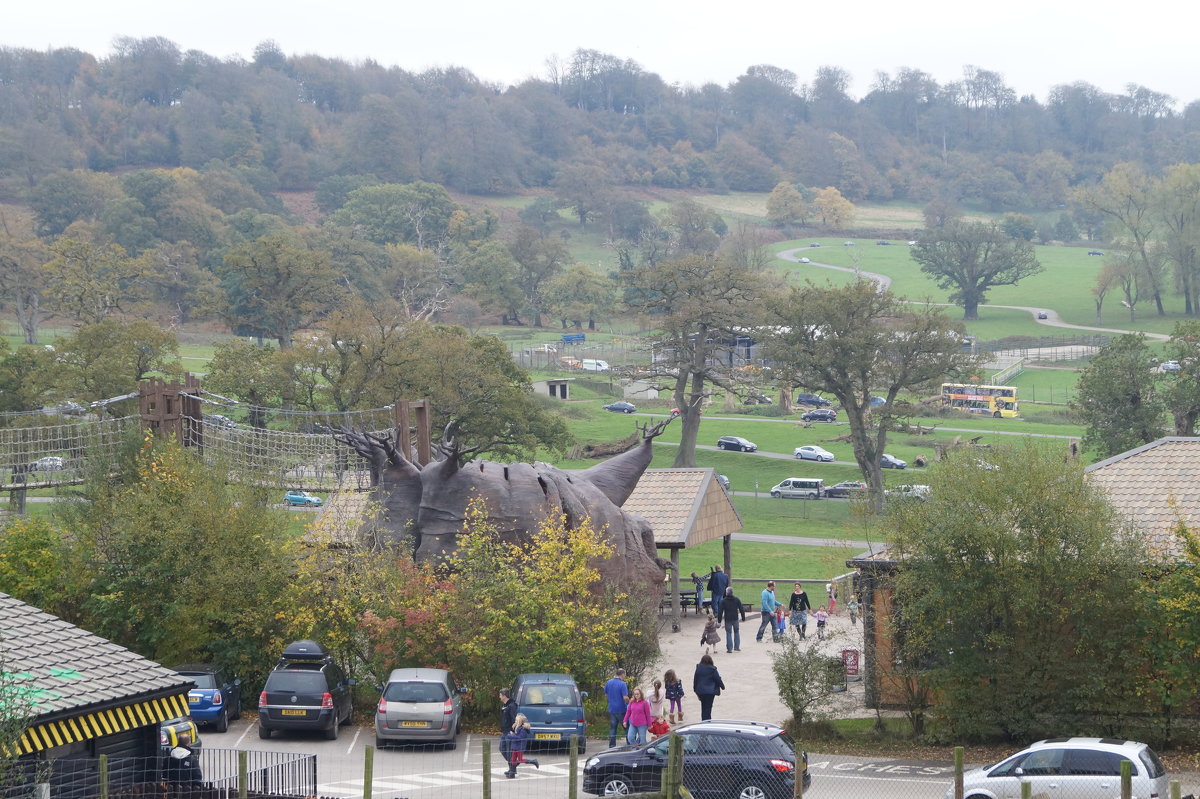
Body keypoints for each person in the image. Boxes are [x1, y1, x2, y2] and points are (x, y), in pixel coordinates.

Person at [503, 713, 539, 778]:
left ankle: (533, 761)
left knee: (520, 759)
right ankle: (512, 773)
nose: (515, 721)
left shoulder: (523, 730)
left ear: (519, 721)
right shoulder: (517, 728)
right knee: (513, 759)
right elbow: (516, 735)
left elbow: (519, 737)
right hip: (515, 746)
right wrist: (513, 734)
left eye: (516, 720)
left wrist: (511, 735)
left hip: (520, 747)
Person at [692, 654, 725, 721]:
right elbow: (718, 679)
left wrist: (695, 690)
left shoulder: (698, 668)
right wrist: (722, 686)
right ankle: (707, 721)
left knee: (703, 707)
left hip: (700, 691)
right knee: (708, 707)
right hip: (710, 692)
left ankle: (704, 720)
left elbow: (695, 680)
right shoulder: (712, 669)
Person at [604, 667, 629, 748]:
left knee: (612, 728)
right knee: (626, 727)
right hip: (621, 709)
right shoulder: (622, 684)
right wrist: (629, 702)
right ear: (622, 674)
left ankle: (612, 745)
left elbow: (606, 695)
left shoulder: (608, 682)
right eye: (624, 675)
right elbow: (625, 697)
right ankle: (630, 744)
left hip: (612, 709)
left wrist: (610, 701)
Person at [716, 585, 746, 653]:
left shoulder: (723, 601)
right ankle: (737, 647)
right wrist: (743, 618)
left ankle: (729, 649)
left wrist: (719, 621)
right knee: (736, 632)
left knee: (728, 633)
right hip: (735, 618)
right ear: (732, 592)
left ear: (726, 593)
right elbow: (741, 609)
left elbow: (720, 612)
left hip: (728, 619)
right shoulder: (737, 599)